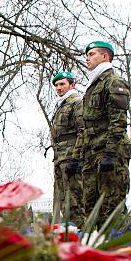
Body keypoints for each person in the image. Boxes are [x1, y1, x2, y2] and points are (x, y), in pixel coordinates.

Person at [78, 41, 131, 225]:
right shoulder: (92, 86)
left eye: (92, 54)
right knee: (92, 210)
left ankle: (118, 252)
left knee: (112, 210)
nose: (87, 57)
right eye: (87, 54)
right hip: (92, 154)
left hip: (110, 154)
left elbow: (118, 121)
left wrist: (110, 153)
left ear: (105, 57)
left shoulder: (113, 81)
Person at [49, 71, 83, 224]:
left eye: (62, 84)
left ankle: (81, 233)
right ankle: (71, 232)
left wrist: (76, 159)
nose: (59, 88)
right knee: (64, 200)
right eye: (56, 85)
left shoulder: (76, 103)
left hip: (71, 159)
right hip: (60, 158)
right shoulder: (61, 105)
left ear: (72, 85)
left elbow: (82, 131)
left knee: (75, 200)